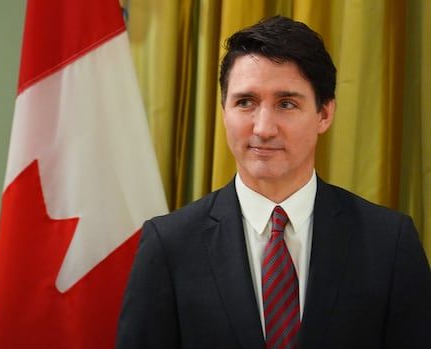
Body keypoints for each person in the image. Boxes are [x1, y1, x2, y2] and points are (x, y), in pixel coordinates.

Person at [116, 16, 431, 349]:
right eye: (245, 102)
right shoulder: (169, 245)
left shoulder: (389, 242)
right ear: (224, 111)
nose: (263, 128)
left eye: (286, 103)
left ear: (324, 114)